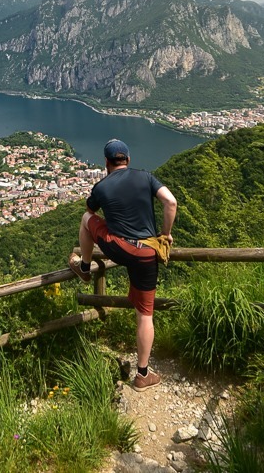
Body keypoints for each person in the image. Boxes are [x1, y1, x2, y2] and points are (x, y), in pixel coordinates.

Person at [70, 138, 178, 391]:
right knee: (145, 314)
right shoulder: (146, 177)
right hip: (146, 254)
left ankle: (85, 268)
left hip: (118, 248)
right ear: (128, 160)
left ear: (106, 163)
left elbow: (90, 211)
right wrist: (165, 233)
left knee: (86, 219)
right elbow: (170, 202)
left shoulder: (101, 186)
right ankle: (142, 375)